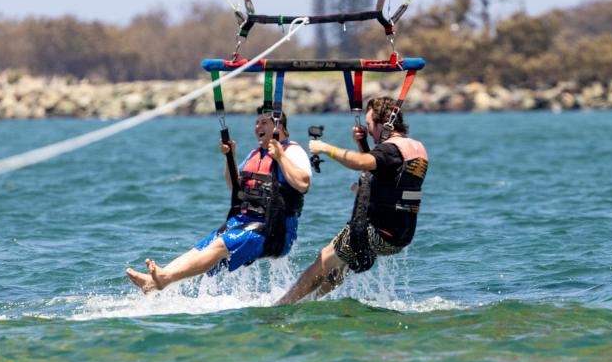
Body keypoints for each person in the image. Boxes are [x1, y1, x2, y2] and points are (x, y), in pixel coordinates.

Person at [126, 108, 311, 293]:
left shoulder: (293, 151)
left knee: (221, 245)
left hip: (274, 230)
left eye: (264, 122)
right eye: (256, 122)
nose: (257, 127)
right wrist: (230, 157)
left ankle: (164, 279)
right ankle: (154, 281)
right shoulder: (255, 154)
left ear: (280, 127)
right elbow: (234, 186)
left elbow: (303, 184)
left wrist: (280, 156)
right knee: (202, 247)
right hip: (244, 221)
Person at [276, 97, 428, 305]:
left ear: (384, 124)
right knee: (339, 266)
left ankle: (282, 305)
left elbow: (361, 162)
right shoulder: (416, 148)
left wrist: (325, 148)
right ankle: (309, 301)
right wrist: (362, 143)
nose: (368, 130)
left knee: (324, 259)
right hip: (400, 237)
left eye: (369, 125)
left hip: (374, 233)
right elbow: (384, 175)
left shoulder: (390, 150)